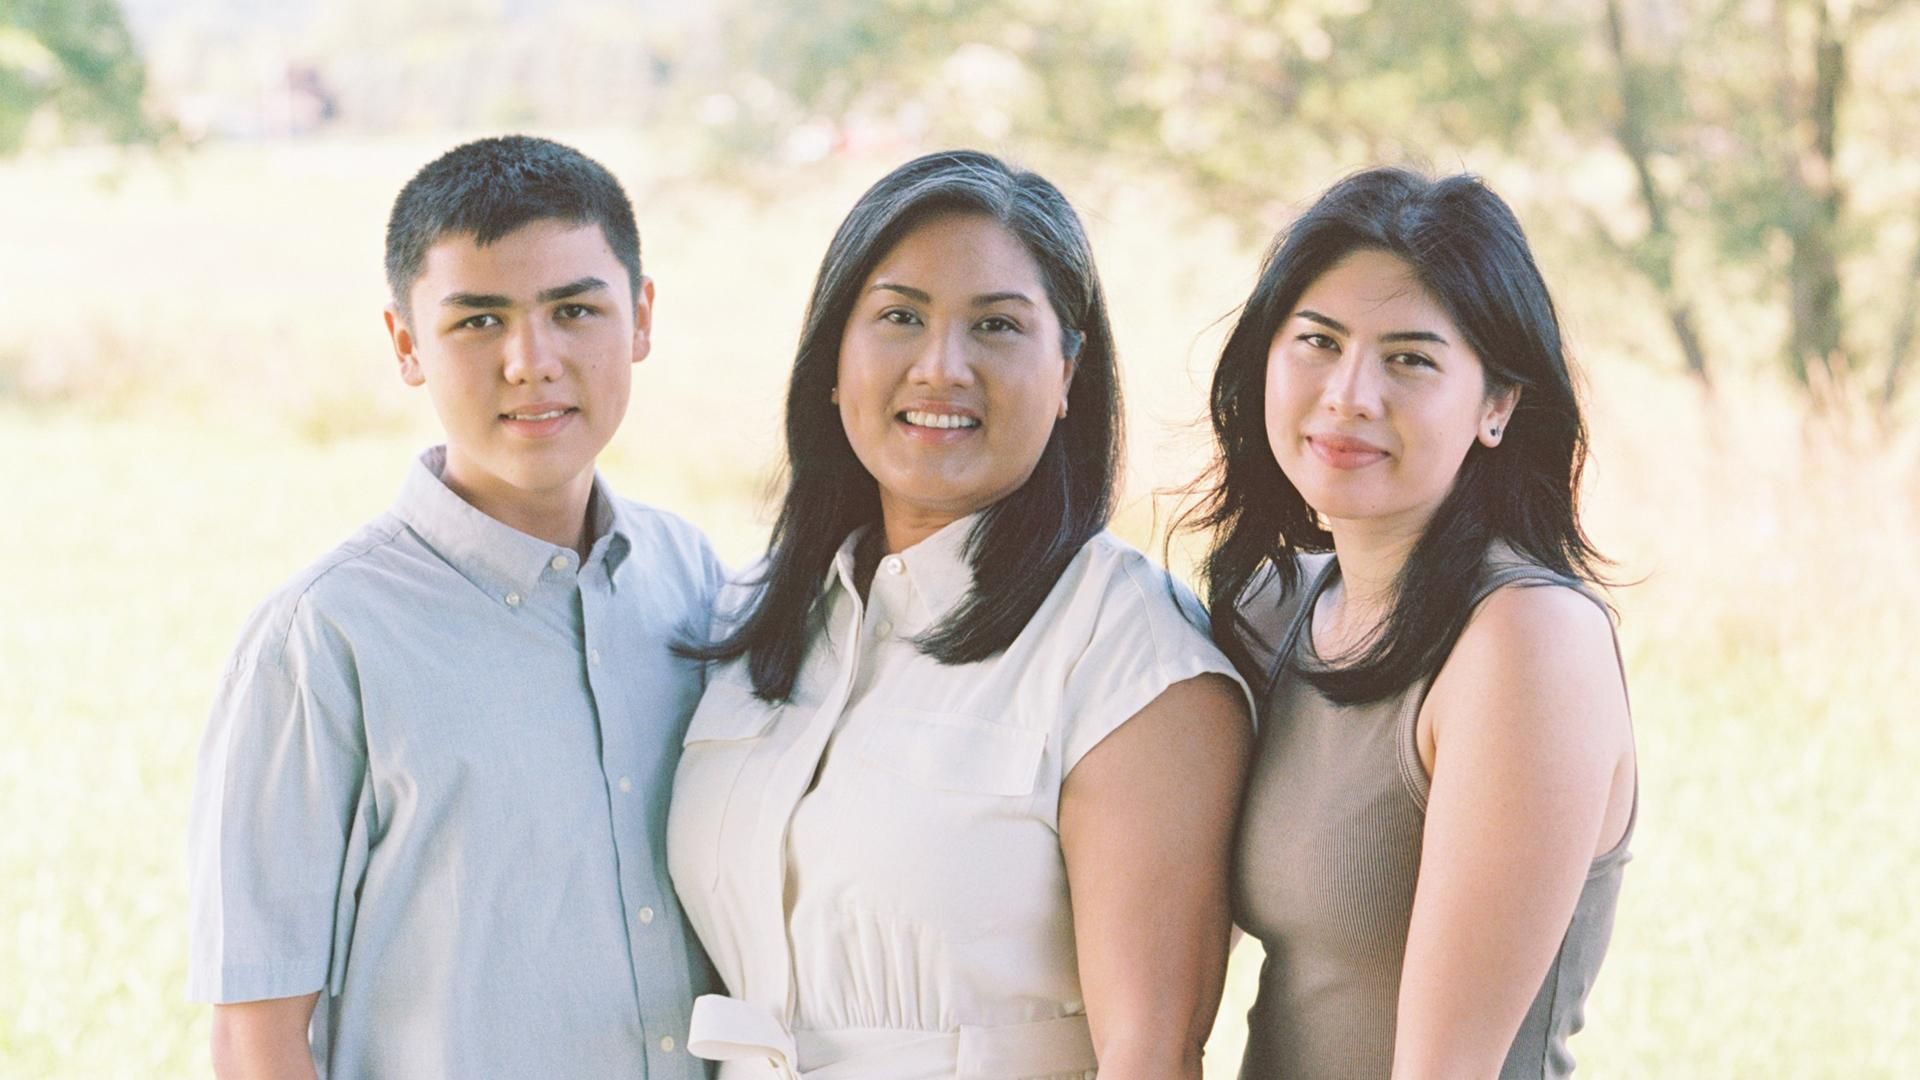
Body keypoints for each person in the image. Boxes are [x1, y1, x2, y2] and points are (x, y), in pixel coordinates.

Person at [666, 149, 1252, 1080]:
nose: (942, 368)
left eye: (997, 327)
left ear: (1068, 374)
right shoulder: (764, 615)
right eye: (900, 317)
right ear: (832, 360)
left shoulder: (1127, 652)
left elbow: (1151, 1050)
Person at [187, 135, 723, 1079]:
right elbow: (255, 1036)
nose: (532, 360)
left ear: (639, 318)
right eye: (478, 321)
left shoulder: (695, 581)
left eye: (574, 310)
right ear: (406, 344)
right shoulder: (324, 639)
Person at [1187, 167, 1637, 1078]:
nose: (1350, 394)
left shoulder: (1525, 641)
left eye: (1410, 359)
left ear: (1498, 406)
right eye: (1318, 341)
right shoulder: (1274, 611)